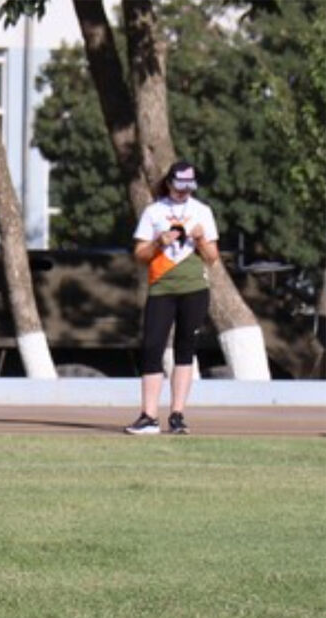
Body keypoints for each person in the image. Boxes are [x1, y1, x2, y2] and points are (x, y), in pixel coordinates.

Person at [125, 160, 220, 435]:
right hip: (161, 288)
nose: (184, 192)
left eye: (189, 187)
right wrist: (158, 243)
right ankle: (148, 416)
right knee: (152, 346)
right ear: (169, 183)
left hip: (194, 288)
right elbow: (140, 255)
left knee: (185, 348)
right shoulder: (154, 211)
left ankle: (177, 415)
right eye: (179, 186)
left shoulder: (202, 211)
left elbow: (212, 258)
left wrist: (201, 240)